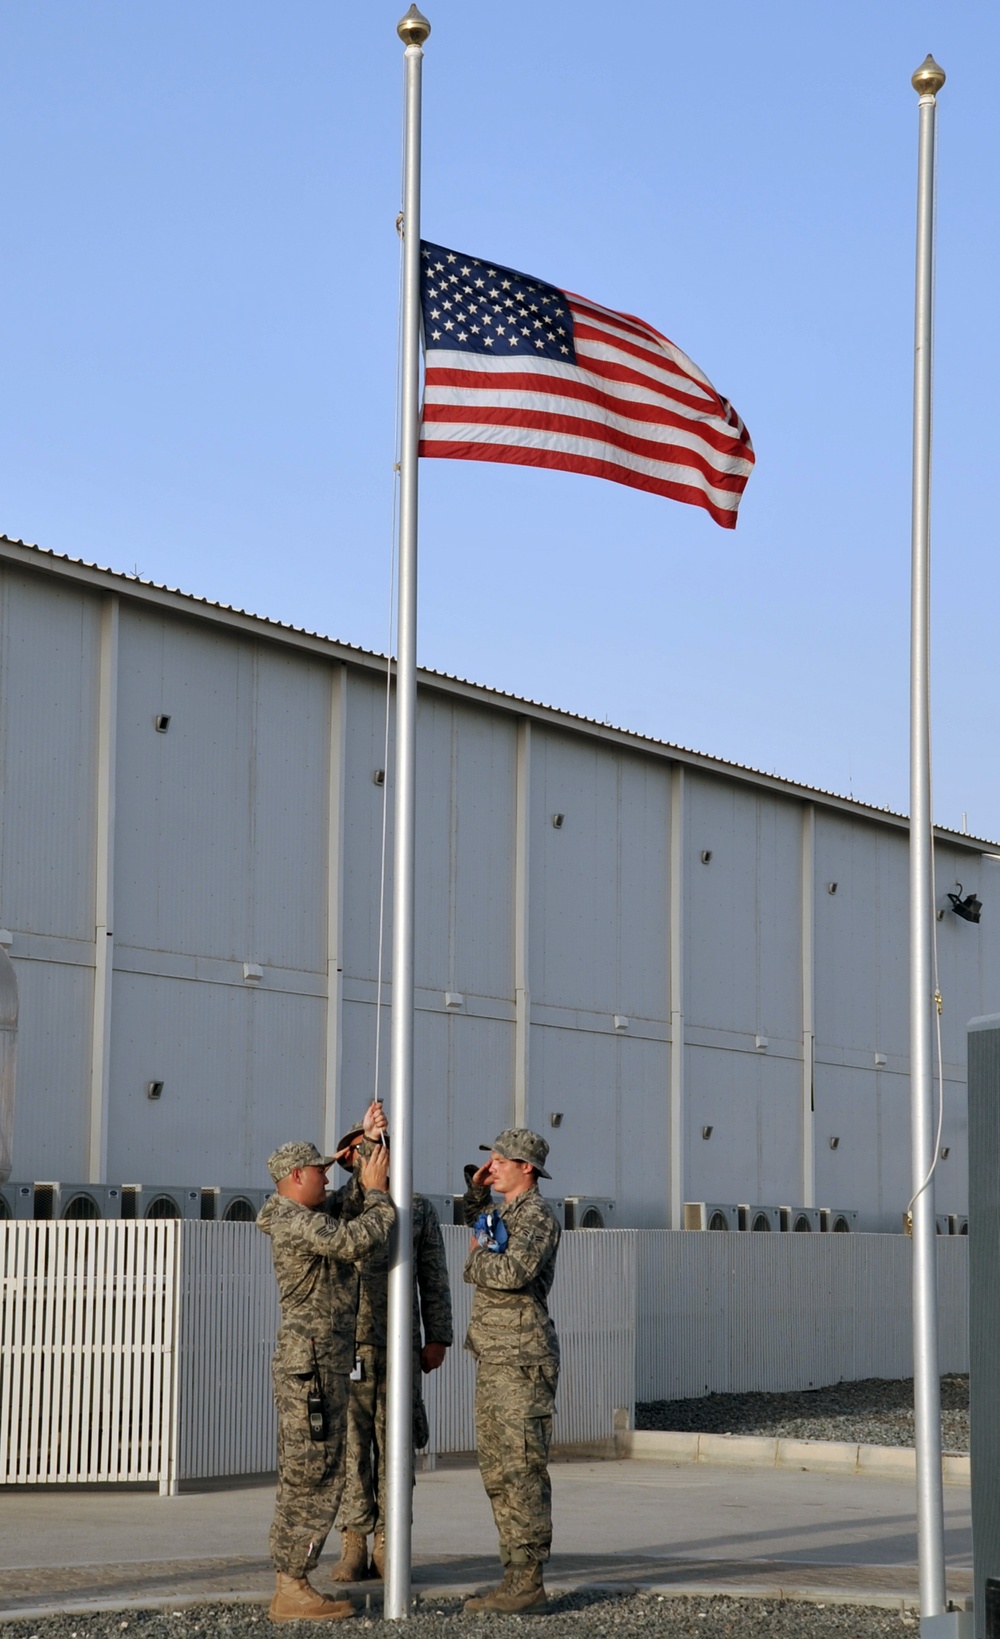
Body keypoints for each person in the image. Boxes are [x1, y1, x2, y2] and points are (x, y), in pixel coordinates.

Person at [258, 1104, 392, 1625]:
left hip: (319, 1363)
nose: (328, 1175)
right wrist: (379, 1194)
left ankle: (293, 1582)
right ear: (296, 1178)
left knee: (314, 1470)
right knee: (311, 1474)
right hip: (310, 1367)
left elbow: (344, 1204)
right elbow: (357, 1235)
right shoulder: (293, 1219)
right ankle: (292, 1586)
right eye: (320, 1170)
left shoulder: (303, 1213)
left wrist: (365, 1151)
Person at [330, 1125, 453, 1582]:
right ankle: (354, 1540)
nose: (376, 1156)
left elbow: (433, 1275)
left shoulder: (417, 1208)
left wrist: (437, 1335)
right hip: (348, 1344)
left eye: (382, 1148)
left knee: (396, 1442)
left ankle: (389, 1538)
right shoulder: (342, 1206)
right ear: (349, 1158)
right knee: (351, 1445)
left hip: (398, 1345)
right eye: (365, 1151)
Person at [459, 1127, 561, 1614]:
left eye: (503, 1159)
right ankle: (512, 1575)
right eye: (492, 1157)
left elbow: (511, 1271)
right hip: (495, 1358)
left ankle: (529, 1581)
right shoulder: (504, 1213)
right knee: (497, 1473)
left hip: (523, 1362)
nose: (493, 1164)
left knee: (522, 1471)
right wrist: (478, 1194)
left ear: (529, 1169)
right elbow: (480, 1227)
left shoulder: (537, 1216)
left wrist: (473, 1263)